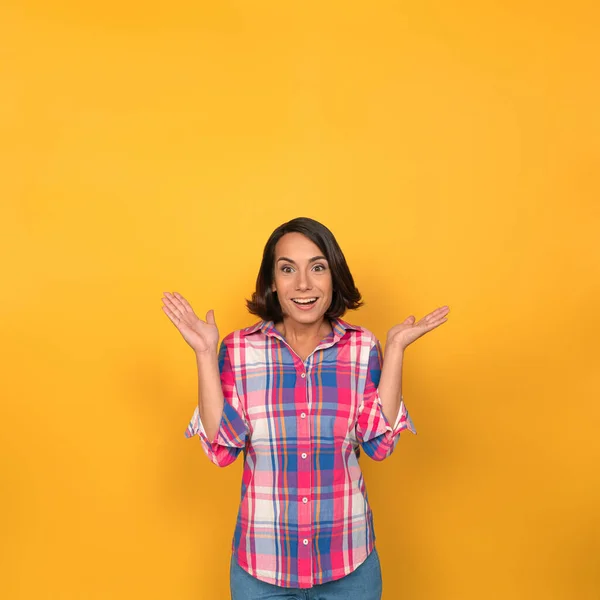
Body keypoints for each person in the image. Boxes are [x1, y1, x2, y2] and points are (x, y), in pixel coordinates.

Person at [161, 217, 449, 600]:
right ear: (272, 282)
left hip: (349, 565)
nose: (303, 285)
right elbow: (222, 450)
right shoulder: (239, 350)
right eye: (287, 269)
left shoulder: (362, 348)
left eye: (317, 267)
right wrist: (203, 353)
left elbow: (379, 446)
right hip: (261, 568)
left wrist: (394, 349)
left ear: (334, 277)